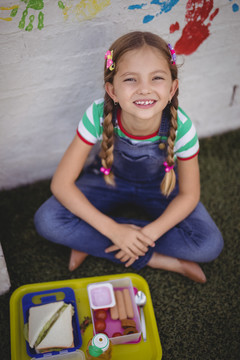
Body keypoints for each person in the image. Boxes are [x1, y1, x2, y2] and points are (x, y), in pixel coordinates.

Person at [34, 31, 223, 283]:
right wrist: (114, 231)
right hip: (107, 180)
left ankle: (87, 240)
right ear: (112, 90)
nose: (144, 89)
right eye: (131, 79)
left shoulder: (183, 128)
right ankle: (163, 261)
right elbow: (61, 184)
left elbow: (189, 195)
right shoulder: (98, 114)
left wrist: (149, 233)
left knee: (209, 244)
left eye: (156, 78)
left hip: (161, 188)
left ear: (172, 88)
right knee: (47, 220)